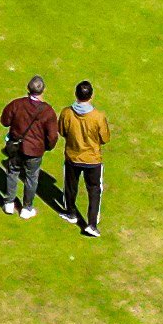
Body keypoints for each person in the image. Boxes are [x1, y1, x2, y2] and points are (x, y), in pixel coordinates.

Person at [0, 74, 61, 218]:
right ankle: (27, 208)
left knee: (12, 172)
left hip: (15, 146)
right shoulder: (48, 111)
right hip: (35, 151)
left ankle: (9, 203)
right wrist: (48, 147)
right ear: (43, 90)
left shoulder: (17, 104)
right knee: (31, 177)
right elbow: (52, 136)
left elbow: (5, 121)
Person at [52, 80, 109, 236]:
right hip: (92, 160)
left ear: (76, 94)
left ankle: (71, 212)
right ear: (91, 96)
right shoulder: (98, 117)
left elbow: (62, 131)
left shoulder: (66, 113)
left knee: (70, 186)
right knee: (94, 191)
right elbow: (104, 138)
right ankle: (91, 224)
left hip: (73, 156)